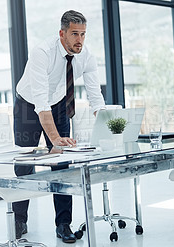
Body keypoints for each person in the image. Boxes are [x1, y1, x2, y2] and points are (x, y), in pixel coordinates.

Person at [12, 10, 105, 243]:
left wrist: (110, 127)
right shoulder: (42, 52)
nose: (80, 40)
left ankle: (63, 224)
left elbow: (96, 99)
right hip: (29, 105)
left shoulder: (86, 56)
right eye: (75, 34)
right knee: (25, 164)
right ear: (62, 33)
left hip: (60, 104)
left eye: (83, 34)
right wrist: (55, 140)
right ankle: (19, 219)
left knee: (62, 165)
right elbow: (41, 104)